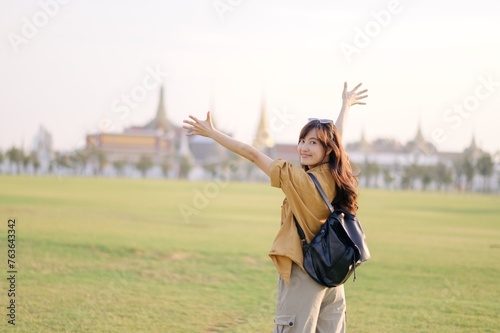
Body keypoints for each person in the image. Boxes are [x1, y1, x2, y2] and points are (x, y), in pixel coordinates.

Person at [182, 82, 368, 333]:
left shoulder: (298, 179)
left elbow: (252, 154)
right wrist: (345, 106)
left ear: (327, 149)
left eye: (313, 143)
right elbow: (339, 139)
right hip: (333, 275)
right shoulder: (336, 175)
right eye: (302, 140)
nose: (303, 147)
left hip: (306, 273)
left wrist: (214, 134)